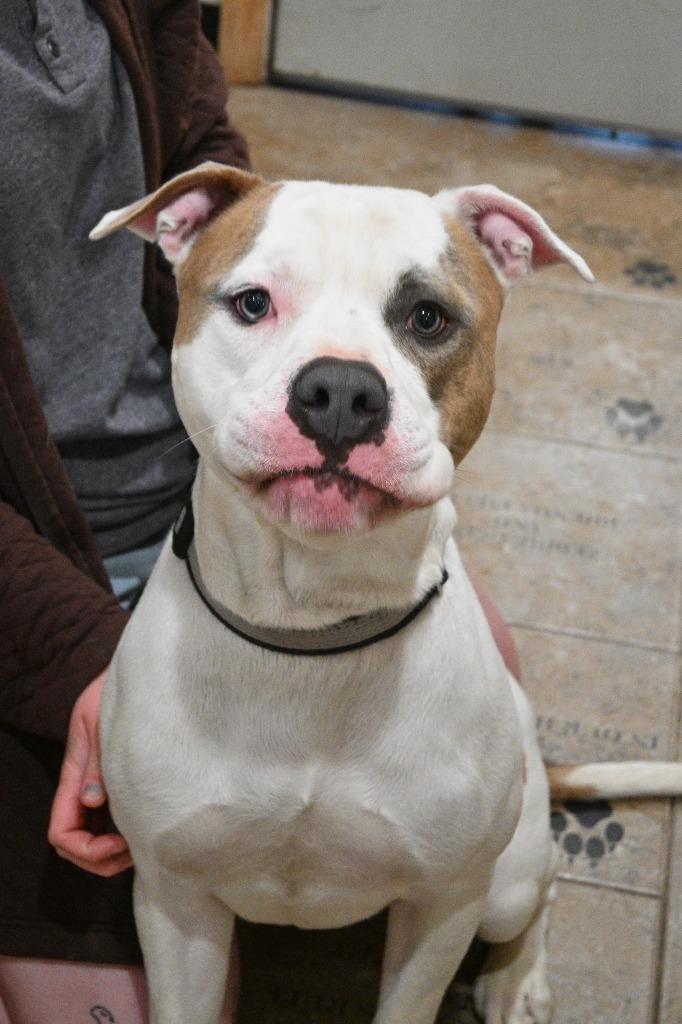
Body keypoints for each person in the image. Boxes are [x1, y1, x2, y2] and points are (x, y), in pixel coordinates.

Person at [0, 2, 521, 1021]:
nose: (339, 388)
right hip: (29, 558)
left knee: (484, 753)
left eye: (423, 320)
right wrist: (71, 656)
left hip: (191, 466)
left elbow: (199, 150)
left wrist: (266, 276)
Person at [0, 1, 248, 1021]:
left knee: (477, 668)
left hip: (181, 485)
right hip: (29, 569)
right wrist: (92, 661)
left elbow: (198, 148)